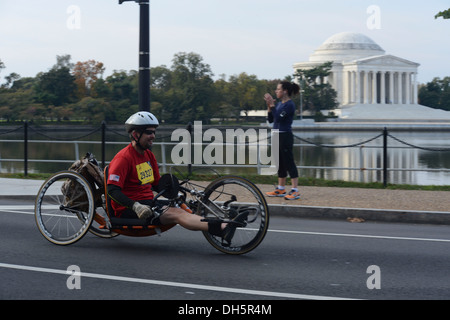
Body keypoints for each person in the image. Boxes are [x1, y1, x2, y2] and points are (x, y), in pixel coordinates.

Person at [106, 111, 247, 244]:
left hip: (148, 202)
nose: (153, 136)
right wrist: (135, 206)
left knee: (183, 206)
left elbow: (156, 184)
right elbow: (112, 190)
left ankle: (225, 219)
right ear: (135, 134)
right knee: (177, 213)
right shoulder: (123, 158)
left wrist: (176, 191)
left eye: (154, 132)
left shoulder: (149, 155)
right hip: (130, 209)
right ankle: (222, 229)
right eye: (149, 132)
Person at [264, 81, 300, 200]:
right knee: (279, 163)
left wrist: (272, 106)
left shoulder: (289, 105)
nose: (276, 91)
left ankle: (295, 190)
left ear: (285, 91)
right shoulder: (279, 104)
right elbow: (271, 120)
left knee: (289, 162)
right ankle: (281, 188)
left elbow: (279, 118)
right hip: (275, 134)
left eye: (278, 89)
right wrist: (269, 106)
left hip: (285, 136)